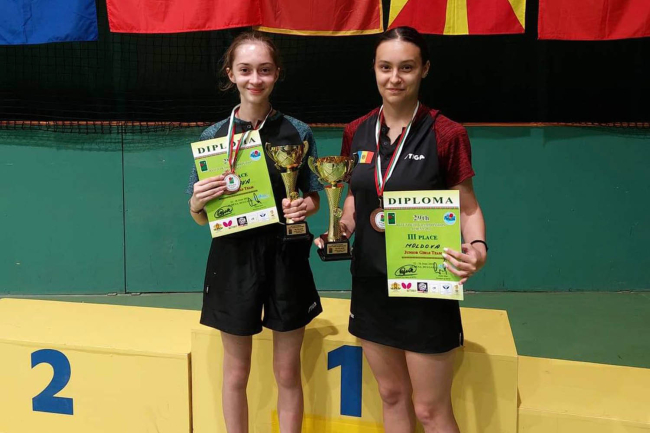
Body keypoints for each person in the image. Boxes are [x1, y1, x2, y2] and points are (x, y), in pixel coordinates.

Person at [317, 26, 488, 433]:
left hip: (425, 284)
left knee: (430, 409)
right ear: (375, 70)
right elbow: (356, 197)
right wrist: (341, 227)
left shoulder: (447, 133)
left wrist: (477, 248)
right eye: (386, 67)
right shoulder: (357, 131)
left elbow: (467, 207)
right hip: (371, 283)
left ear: (424, 69)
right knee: (391, 395)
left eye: (406, 67)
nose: (394, 78)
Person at [187, 31, 323, 433]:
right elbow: (201, 217)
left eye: (264, 70)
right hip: (233, 258)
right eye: (245, 70)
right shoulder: (213, 137)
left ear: (276, 73)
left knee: (287, 371)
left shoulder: (298, 132)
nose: (255, 79)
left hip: (286, 254)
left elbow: (314, 196)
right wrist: (196, 202)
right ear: (231, 74)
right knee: (236, 372)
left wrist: (305, 206)